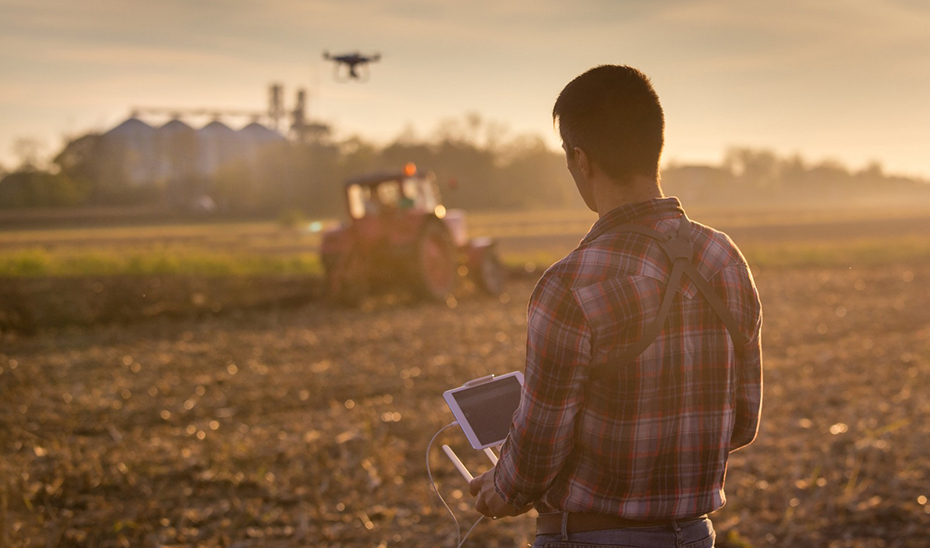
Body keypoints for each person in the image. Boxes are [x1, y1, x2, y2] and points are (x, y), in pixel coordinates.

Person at [468, 65, 763, 548]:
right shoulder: (725, 260)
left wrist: (502, 489)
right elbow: (743, 422)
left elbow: (540, 449)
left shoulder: (570, 284)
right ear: (655, 144)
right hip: (694, 536)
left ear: (581, 159)